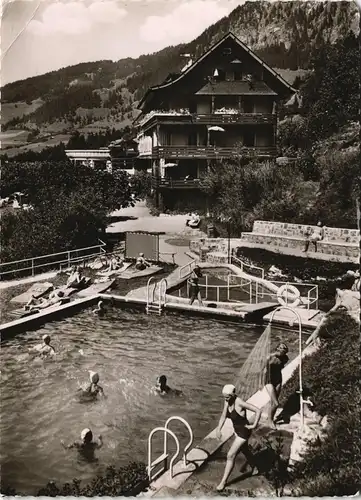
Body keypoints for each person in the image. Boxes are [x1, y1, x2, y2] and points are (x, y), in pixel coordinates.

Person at [216, 384, 261, 491]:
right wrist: (218, 429)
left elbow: (258, 410)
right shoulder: (227, 401)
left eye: (227, 397)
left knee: (230, 455)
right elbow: (223, 415)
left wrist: (253, 425)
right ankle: (256, 467)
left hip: (244, 432)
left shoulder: (239, 402)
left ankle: (223, 482)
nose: (225, 399)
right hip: (237, 431)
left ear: (232, 395)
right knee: (245, 450)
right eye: (224, 397)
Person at [263, 343, 289, 429]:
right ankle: (270, 421)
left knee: (274, 401)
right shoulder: (270, 357)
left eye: (284, 349)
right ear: (277, 348)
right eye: (281, 348)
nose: (282, 349)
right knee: (276, 403)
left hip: (278, 379)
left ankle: (270, 417)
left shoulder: (285, 358)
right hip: (269, 380)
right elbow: (263, 368)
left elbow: (281, 366)